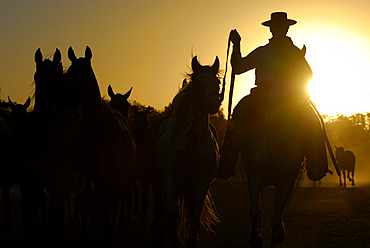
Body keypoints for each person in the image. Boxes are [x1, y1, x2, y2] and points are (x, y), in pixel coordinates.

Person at [216, 12, 317, 179]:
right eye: (276, 27)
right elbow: (239, 67)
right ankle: (227, 159)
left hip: (273, 96)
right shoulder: (289, 52)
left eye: (280, 27)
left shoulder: (288, 52)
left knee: (311, 120)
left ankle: (316, 162)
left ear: (285, 29)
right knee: (239, 112)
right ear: (272, 29)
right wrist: (237, 44)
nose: (278, 30)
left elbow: (239, 67)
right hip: (283, 97)